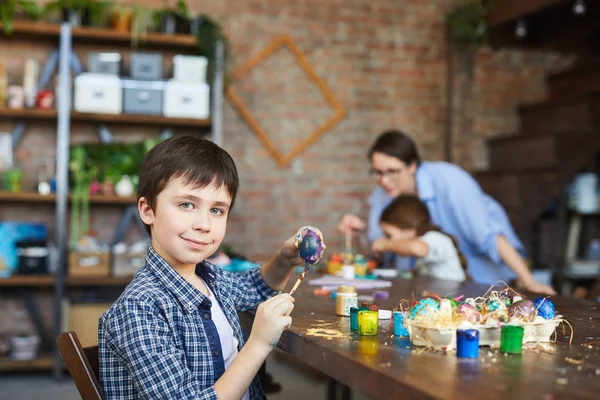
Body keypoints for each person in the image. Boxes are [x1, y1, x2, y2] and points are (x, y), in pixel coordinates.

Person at [99, 136, 303, 399]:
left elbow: (255, 288)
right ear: (148, 210)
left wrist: (285, 260)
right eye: (187, 204)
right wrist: (258, 343)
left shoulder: (210, 277)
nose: (204, 224)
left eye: (217, 210)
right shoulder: (139, 309)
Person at [338, 129, 556, 295]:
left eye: (392, 172)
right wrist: (360, 233)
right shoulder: (382, 194)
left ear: (412, 166)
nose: (384, 181)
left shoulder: (450, 182)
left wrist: (529, 282)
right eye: (377, 173)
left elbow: (489, 237)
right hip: (431, 290)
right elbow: (380, 248)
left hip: (483, 285)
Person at [371, 194, 469, 282]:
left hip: (454, 297)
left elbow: (417, 249)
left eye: (389, 235)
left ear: (408, 230)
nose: (387, 239)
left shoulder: (436, 238)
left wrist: (386, 244)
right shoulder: (423, 242)